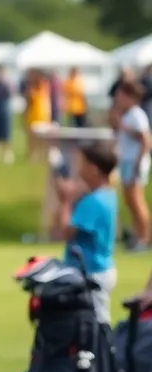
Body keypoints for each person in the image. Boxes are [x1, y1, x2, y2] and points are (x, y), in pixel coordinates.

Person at [55, 143, 119, 322]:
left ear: (94, 168)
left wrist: (65, 201)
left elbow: (66, 231)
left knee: (96, 325)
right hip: (98, 268)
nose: (79, 169)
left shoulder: (93, 201)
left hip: (90, 271)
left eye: (83, 163)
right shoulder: (106, 195)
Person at [114, 80, 151, 250]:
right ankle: (137, 236)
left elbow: (145, 140)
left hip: (135, 161)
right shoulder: (127, 114)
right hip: (127, 160)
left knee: (137, 201)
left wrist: (137, 162)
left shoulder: (137, 114)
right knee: (130, 201)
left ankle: (145, 237)